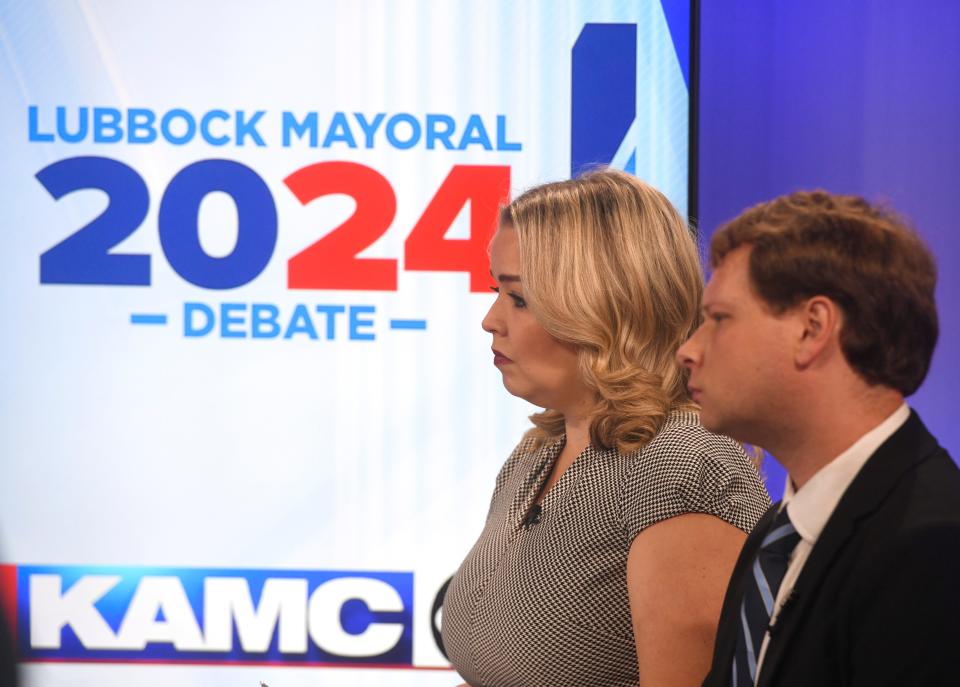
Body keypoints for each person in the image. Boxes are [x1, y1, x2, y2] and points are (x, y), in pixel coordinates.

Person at [441, 169, 770, 687]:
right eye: (494, 290)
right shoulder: (536, 454)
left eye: (519, 299)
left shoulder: (682, 469)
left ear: (608, 307)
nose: (491, 319)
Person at [677, 191, 960, 687]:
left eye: (718, 319)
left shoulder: (933, 547)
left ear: (813, 329)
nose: (688, 351)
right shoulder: (774, 536)